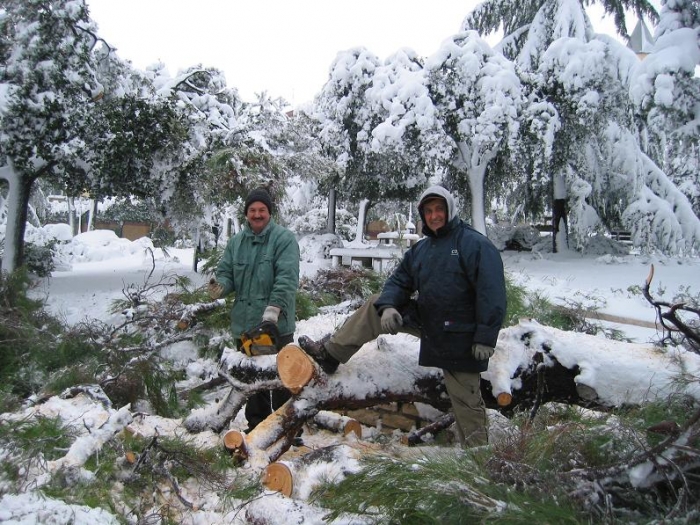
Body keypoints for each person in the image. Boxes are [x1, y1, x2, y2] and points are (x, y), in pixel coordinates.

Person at [298, 185, 506, 447]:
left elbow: (492, 293)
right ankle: (331, 354)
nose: (434, 216)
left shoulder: (474, 244)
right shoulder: (421, 250)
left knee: (466, 400)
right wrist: (390, 307)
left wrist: (485, 337)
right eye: (428, 211)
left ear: (450, 210)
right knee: (375, 304)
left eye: (439, 209)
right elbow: (398, 281)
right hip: (428, 320)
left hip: (460, 333)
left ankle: (479, 456)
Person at [209, 187, 300, 432]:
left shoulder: (283, 239)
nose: (257, 214)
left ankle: (286, 428)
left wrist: (273, 312)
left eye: (262, 210)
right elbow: (226, 272)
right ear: (246, 214)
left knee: (280, 380)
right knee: (254, 382)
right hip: (246, 326)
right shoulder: (237, 243)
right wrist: (220, 286)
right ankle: (258, 428)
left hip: (275, 326)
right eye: (252, 210)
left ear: (269, 212)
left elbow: (287, 278)